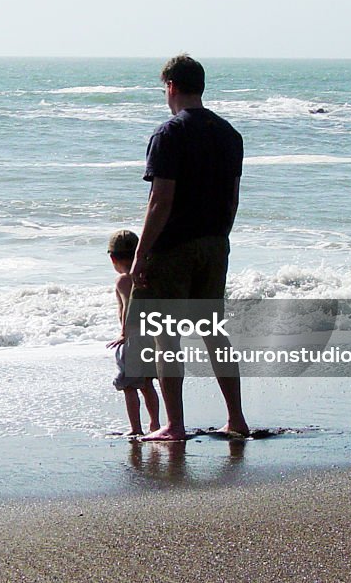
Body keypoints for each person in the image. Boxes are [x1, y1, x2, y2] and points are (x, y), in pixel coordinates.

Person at [129, 55, 250, 441]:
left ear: (171, 87)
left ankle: (175, 425)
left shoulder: (169, 134)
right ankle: (236, 418)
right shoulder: (229, 134)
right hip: (215, 242)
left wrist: (140, 253)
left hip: (174, 246)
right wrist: (220, 239)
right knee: (213, 332)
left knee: (167, 336)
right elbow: (232, 198)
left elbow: (160, 201)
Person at [105, 230, 161, 436]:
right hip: (150, 336)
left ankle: (135, 428)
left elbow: (129, 305)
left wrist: (123, 333)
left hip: (133, 337)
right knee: (147, 384)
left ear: (113, 258)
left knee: (129, 386)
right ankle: (155, 424)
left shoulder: (123, 280)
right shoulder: (147, 275)